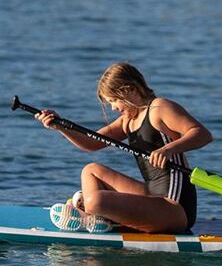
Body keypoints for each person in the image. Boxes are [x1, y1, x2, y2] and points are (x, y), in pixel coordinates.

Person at [35, 62, 212, 233]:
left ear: (131, 89)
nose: (113, 108)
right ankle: (94, 215)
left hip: (175, 206)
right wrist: (60, 126)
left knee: (95, 200)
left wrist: (168, 149)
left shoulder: (160, 108)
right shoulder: (128, 120)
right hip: (151, 193)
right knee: (90, 170)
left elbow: (202, 134)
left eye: (114, 100)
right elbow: (91, 142)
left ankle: (90, 214)